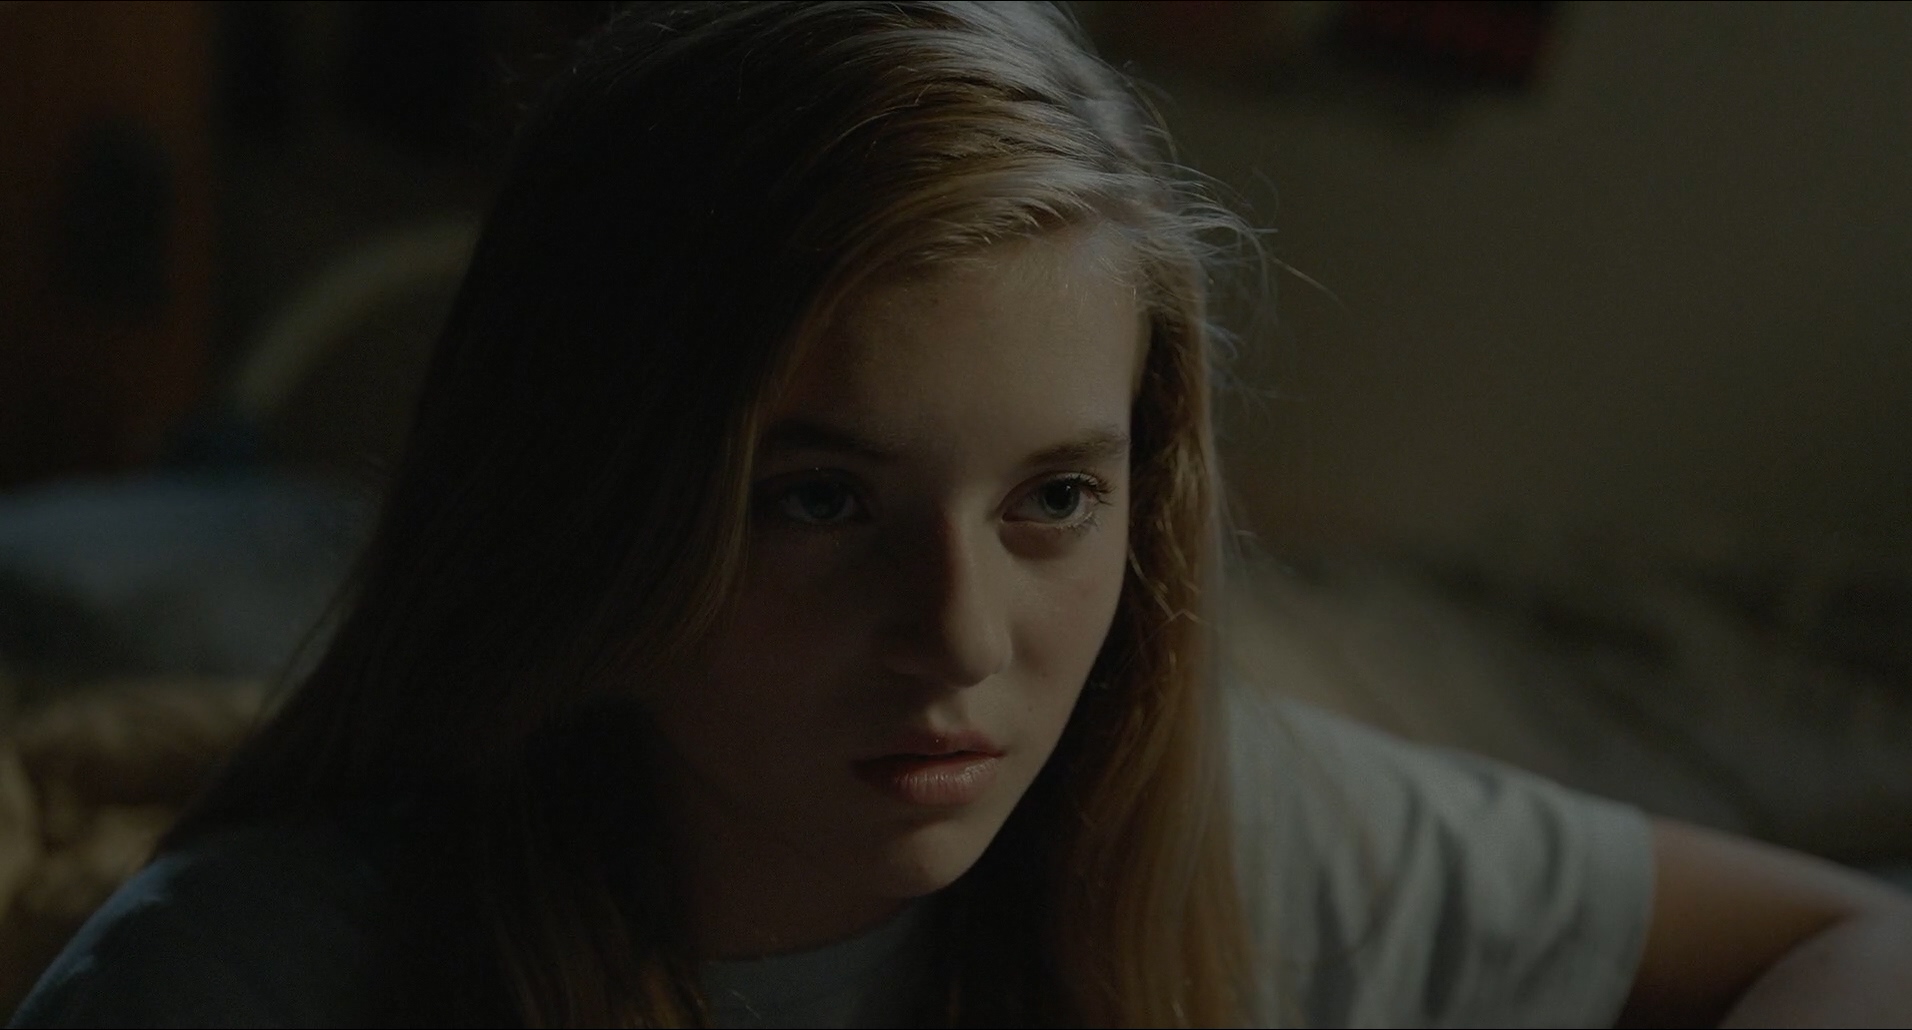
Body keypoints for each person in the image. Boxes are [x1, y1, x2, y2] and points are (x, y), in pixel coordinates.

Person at [12, 2, 1911, 1026]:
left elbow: (1850, 933)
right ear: (590, 491)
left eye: (1055, 497)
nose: (961, 635)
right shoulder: (244, 980)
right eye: (819, 497)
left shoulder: (1214, 837)